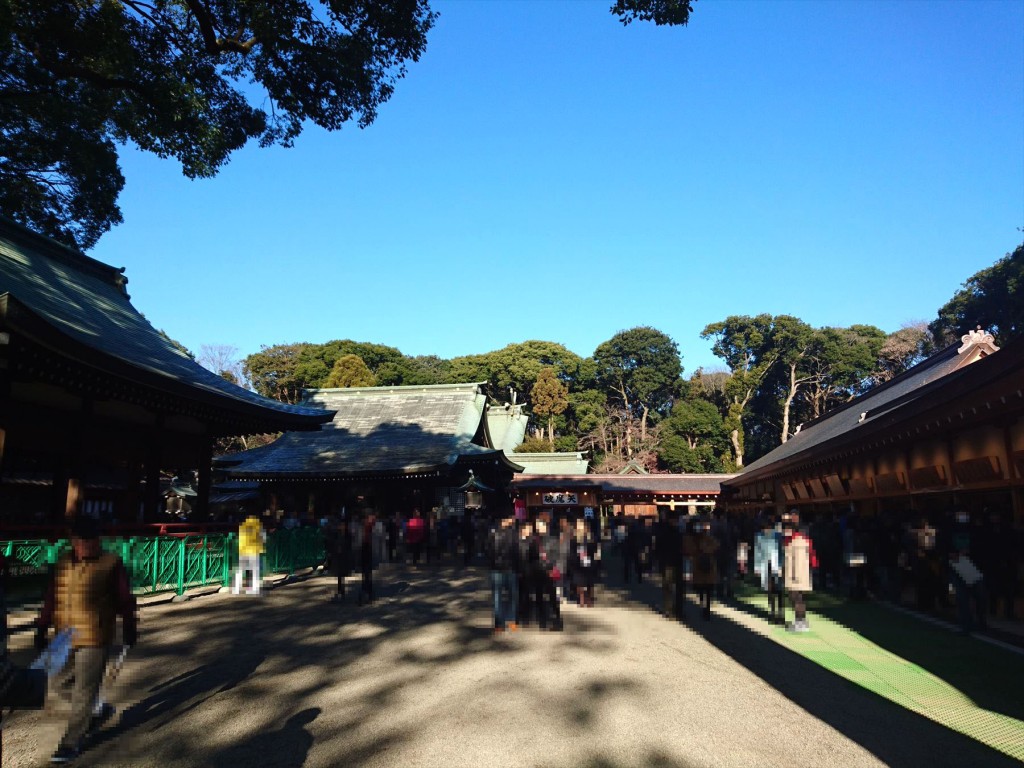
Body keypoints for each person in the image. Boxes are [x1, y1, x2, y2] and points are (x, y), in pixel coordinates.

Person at [35, 517, 138, 763]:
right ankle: (98, 710)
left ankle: (71, 742)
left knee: (84, 690)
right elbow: (52, 596)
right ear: (73, 540)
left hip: (95, 635)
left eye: (92, 539)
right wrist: (41, 627)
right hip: (64, 635)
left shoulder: (110, 564)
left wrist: (130, 627)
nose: (88, 544)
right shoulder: (62, 563)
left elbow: (125, 599)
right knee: (57, 682)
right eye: (82, 540)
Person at [782, 510, 817, 632]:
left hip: (796, 575)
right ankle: (801, 621)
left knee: (795, 598)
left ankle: (799, 622)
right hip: (800, 574)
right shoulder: (800, 541)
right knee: (799, 598)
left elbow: (796, 561)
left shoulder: (796, 542)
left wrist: (795, 575)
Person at [485, 512, 520, 632]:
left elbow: (488, 551)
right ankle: (509, 621)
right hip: (508, 568)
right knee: (511, 596)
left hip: (498, 568)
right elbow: (516, 552)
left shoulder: (493, 533)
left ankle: (500, 623)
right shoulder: (512, 534)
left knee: (499, 596)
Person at [754, 513, 783, 624]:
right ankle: (772, 611)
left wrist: (780, 565)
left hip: (776, 564)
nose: (766, 530)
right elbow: (757, 551)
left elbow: (781, 550)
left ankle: (780, 612)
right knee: (769, 589)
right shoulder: (759, 536)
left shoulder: (777, 535)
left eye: (768, 528)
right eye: (764, 528)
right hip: (764, 564)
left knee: (779, 589)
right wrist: (757, 567)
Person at [691, 517, 720, 620]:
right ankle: (704, 606)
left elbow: (716, 545)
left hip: (707, 566)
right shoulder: (695, 539)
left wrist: (704, 550)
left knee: (706, 589)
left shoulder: (709, 538)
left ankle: (706, 607)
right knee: (703, 589)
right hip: (702, 566)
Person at [233, 515, 266, 595]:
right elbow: (263, 539)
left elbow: (240, 538)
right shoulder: (259, 526)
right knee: (254, 571)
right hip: (254, 550)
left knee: (240, 570)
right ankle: (253, 589)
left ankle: (236, 588)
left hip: (243, 551)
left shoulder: (243, 526)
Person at [358, 517, 375, 606]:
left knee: (366, 574)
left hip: (366, 550)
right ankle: (368, 593)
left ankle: (367, 593)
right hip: (366, 550)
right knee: (367, 574)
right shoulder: (367, 527)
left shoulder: (367, 527)